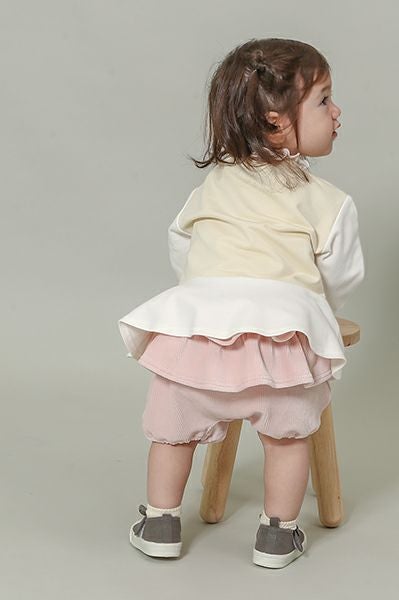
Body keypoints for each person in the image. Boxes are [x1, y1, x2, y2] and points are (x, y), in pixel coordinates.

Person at [118, 37, 365, 569]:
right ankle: (278, 534)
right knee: (288, 437)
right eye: (324, 99)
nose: (337, 111)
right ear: (277, 121)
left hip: (198, 346)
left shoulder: (212, 187)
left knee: (173, 432)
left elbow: (182, 245)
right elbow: (340, 276)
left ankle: (160, 521)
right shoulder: (328, 202)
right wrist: (312, 309)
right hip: (281, 352)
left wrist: (209, 294)